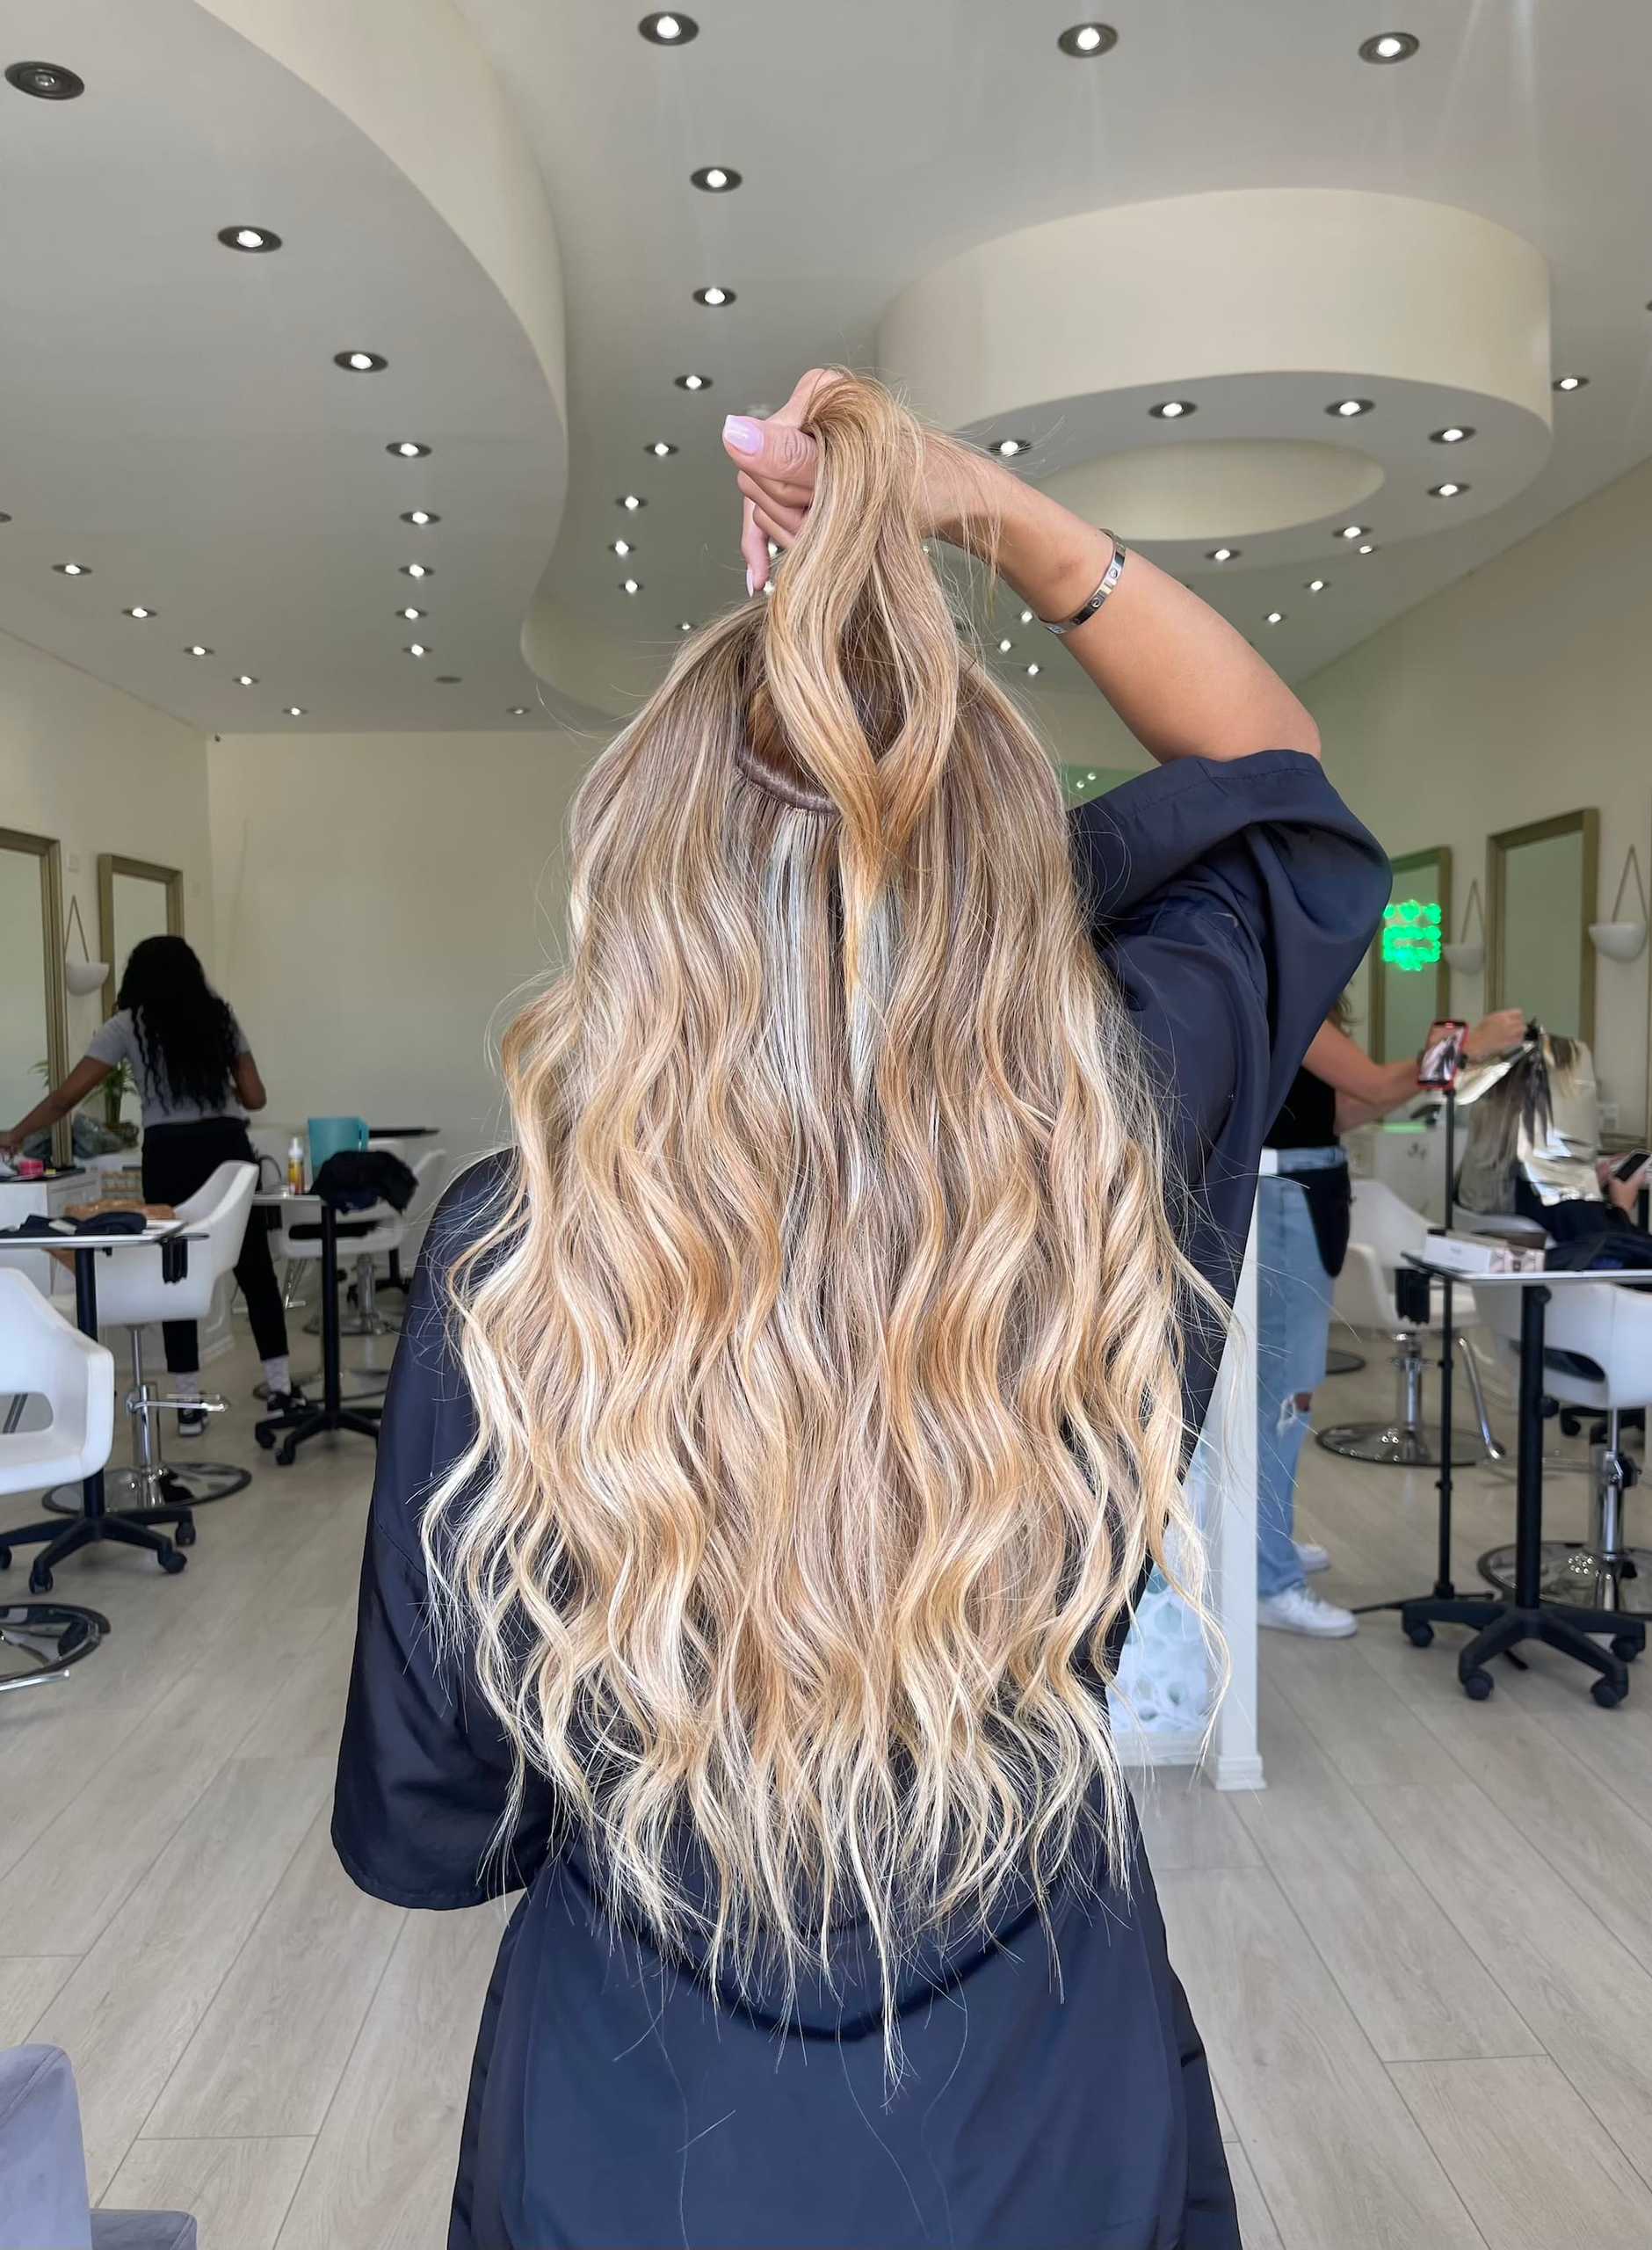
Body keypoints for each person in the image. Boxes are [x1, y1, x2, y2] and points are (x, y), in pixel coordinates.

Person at [331, 370, 1388, 2250]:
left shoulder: (520, 1246)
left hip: (629, 2132)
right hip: (1041, 2104)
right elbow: (1275, 795)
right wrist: (994, 518)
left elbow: (430, 1828)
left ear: (652, 893)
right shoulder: (1113, 1154)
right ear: (1009, 881)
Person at [1256, 1004, 1524, 1636]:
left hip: (1314, 1188)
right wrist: (1468, 1047)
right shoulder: (1284, 999)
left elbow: (1346, 1111)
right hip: (1288, 1195)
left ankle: (1269, 1539)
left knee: (1294, 1388)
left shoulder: (1307, 1008)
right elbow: (1376, 1084)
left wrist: (1433, 1068)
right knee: (1280, 1394)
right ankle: (1266, 1579)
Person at [2, 935, 304, 1421]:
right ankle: (281, 1391)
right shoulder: (219, 1018)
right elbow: (255, 1097)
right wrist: (215, 1083)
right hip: (228, 1149)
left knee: (174, 1268)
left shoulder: (127, 1026)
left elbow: (66, 1097)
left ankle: (186, 1404)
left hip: (170, 1156)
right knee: (255, 1270)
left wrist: (14, 1135)